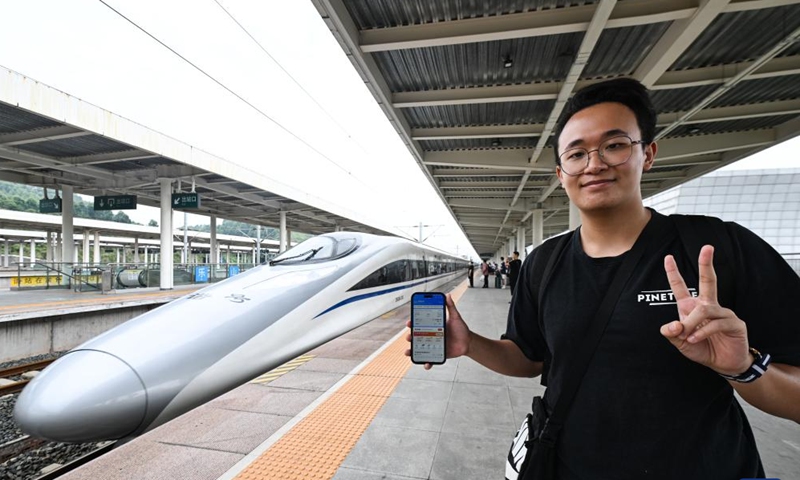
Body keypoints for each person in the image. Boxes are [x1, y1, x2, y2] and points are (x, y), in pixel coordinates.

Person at [406, 78, 800, 479]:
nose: (594, 163)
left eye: (614, 145)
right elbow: (529, 358)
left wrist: (744, 368)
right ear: (561, 173)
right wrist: (470, 343)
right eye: (577, 154)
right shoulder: (543, 264)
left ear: (647, 154)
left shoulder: (716, 248)